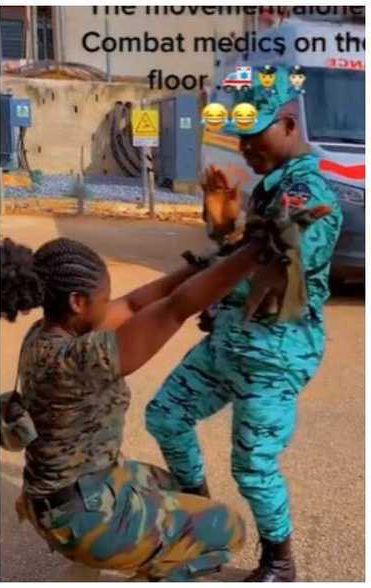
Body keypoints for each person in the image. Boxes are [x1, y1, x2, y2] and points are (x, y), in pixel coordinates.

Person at [0, 220, 346, 580]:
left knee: (174, 487)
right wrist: (256, 252)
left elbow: (134, 304)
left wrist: (206, 262)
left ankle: (101, 553)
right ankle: (114, 556)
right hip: (79, 517)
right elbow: (176, 308)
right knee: (228, 530)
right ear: (77, 302)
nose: (109, 303)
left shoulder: (43, 335)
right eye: (103, 298)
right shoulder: (80, 359)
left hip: (58, 498)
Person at [145, 65, 342, 582]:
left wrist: (225, 244)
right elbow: (242, 253)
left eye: (256, 135)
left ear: (289, 125)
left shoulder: (307, 194)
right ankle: (200, 520)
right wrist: (224, 225)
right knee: (165, 416)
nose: (246, 147)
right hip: (231, 343)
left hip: (274, 354)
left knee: (252, 466)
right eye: (241, 137)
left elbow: (276, 265)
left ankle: (279, 560)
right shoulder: (272, 188)